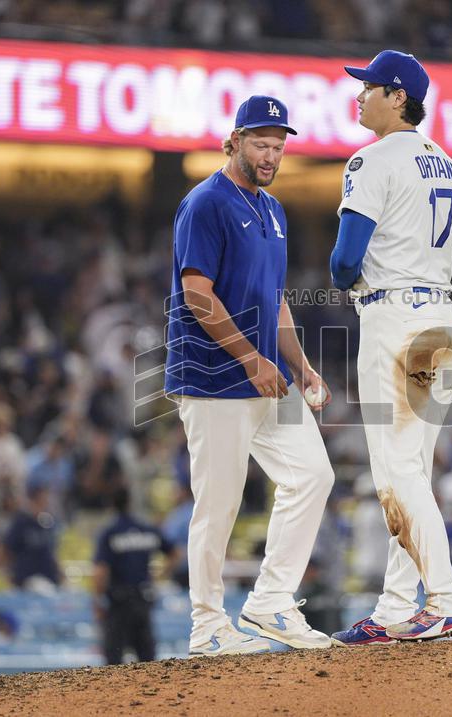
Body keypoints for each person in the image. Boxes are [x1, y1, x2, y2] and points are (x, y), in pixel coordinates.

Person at [165, 95, 335, 656]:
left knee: (313, 475)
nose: (271, 154)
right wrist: (250, 358)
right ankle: (208, 623)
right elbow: (196, 292)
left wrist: (302, 366)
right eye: (261, 143)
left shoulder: (273, 209)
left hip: (265, 378)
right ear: (233, 141)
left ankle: (269, 603)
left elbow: (275, 300)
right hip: (214, 376)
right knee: (219, 502)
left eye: (279, 145)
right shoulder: (206, 202)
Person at [328, 50, 452, 645]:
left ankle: (445, 599)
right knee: (409, 471)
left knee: (394, 473)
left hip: (397, 323)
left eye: (367, 86)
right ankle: (394, 607)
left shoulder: (371, 158)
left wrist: (356, 276)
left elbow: (342, 264)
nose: (358, 95)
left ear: (396, 95)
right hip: (447, 322)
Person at [93, 487, 174, 664]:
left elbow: (100, 571)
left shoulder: (110, 532)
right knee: (147, 660)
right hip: (142, 600)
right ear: (130, 502)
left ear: (111, 505)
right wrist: (159, 576)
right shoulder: (146, 529)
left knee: (113, 660)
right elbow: (175, 552)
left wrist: (97, 600)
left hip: (118, 603)